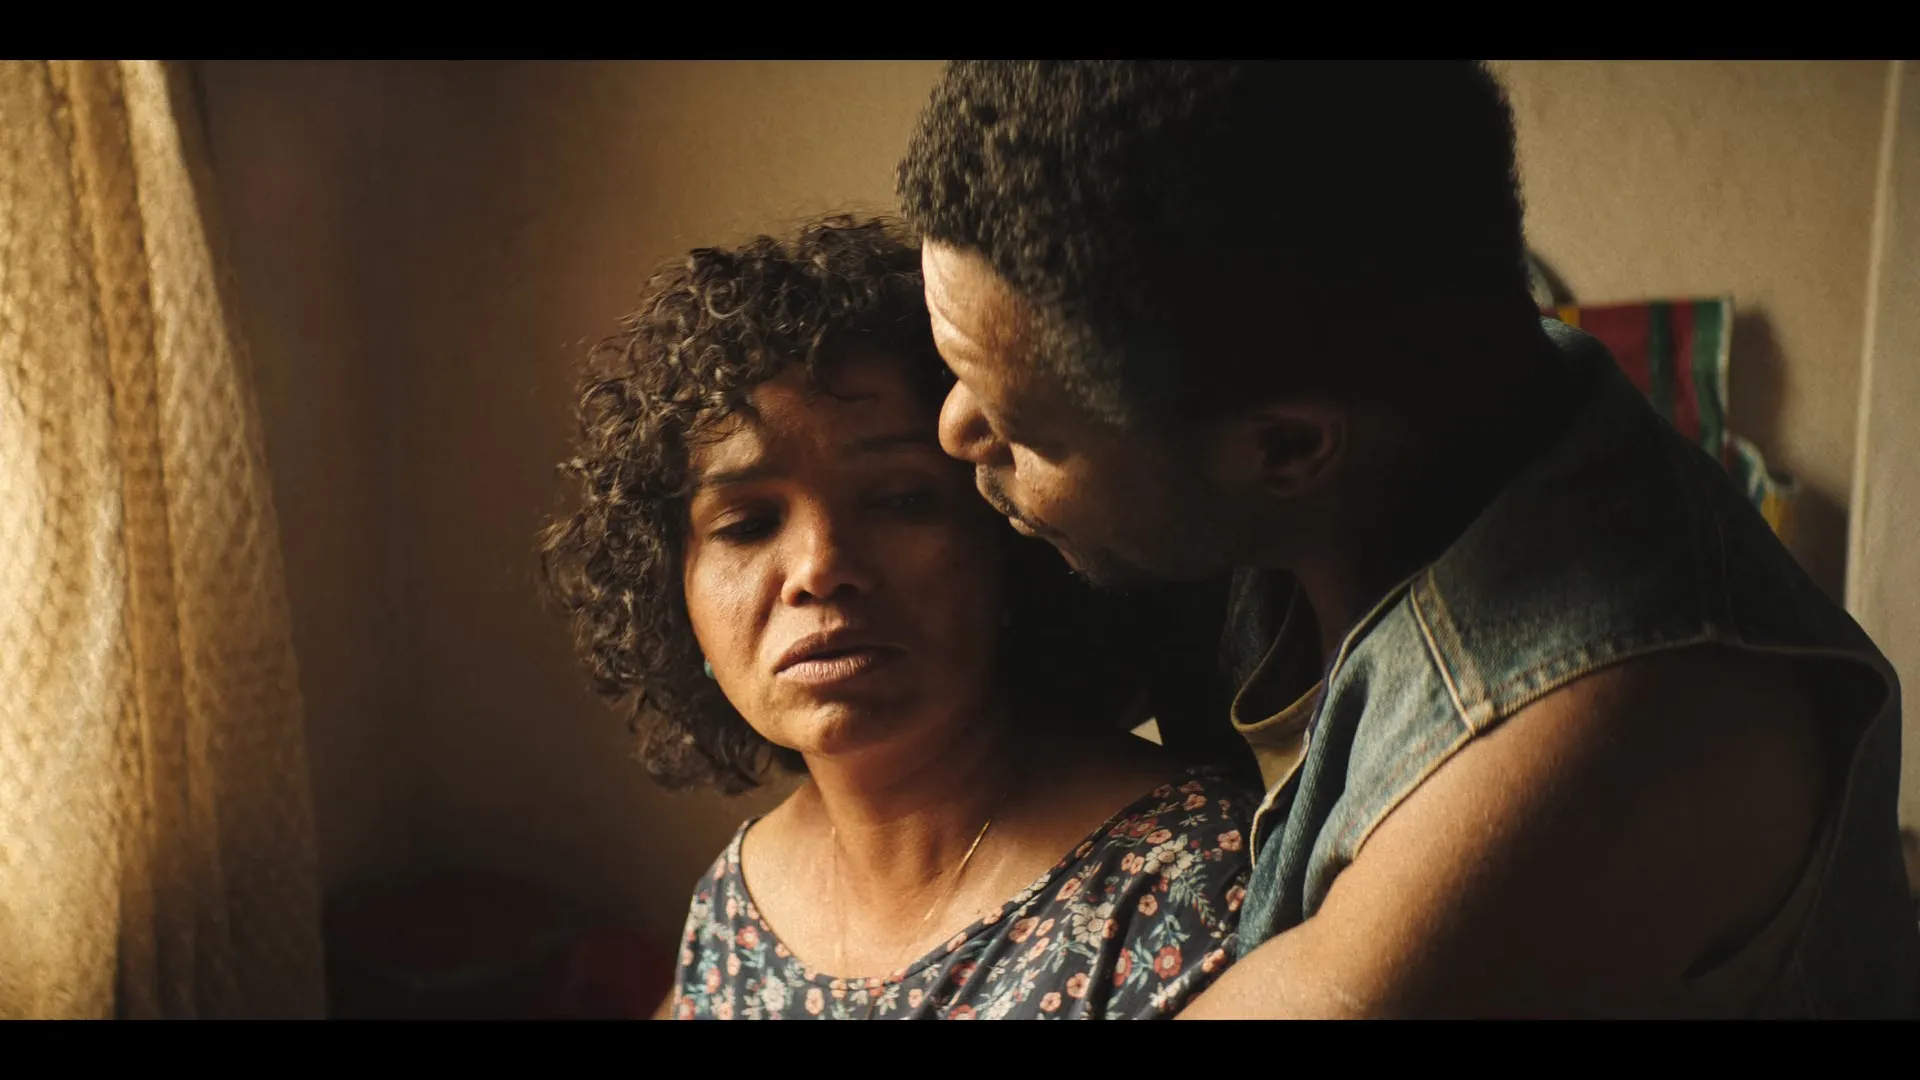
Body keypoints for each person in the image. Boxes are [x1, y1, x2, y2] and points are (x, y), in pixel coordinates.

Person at [896, 60, 1920, 1018]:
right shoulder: (1363, 404)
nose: (953, 431)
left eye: (1022, 427)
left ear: (1288, 447)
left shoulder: (1598, 749)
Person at [538, 217, 1258, 1020]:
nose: (820, 567)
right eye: (747, 524)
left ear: (1008, 540)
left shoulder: (1186, 883)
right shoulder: (738, 898)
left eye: (901, 502)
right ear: (676, 604)